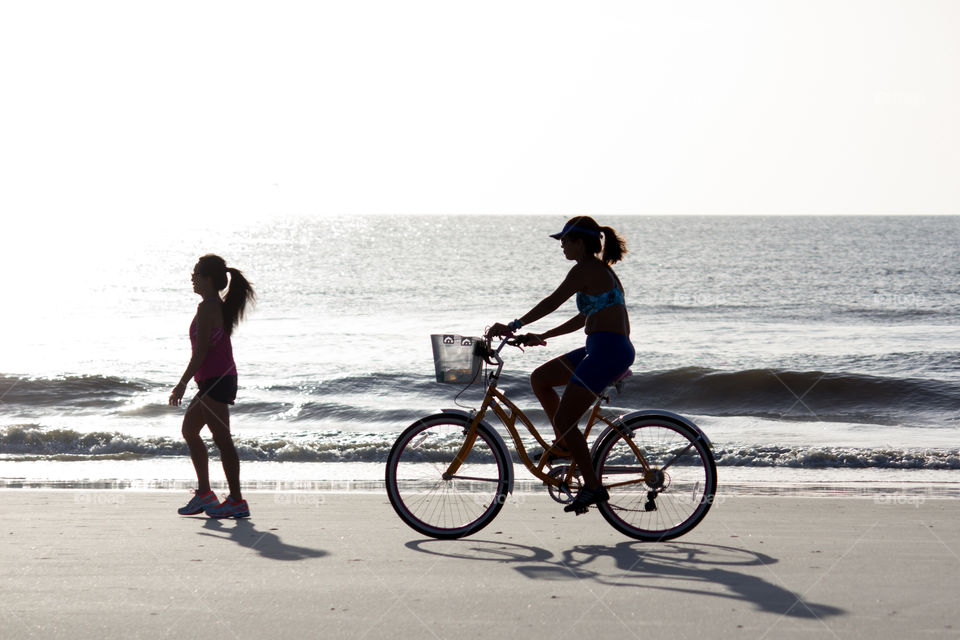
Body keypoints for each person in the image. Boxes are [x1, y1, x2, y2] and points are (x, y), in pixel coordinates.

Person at [487, 216, 635, 514]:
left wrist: (513, 325)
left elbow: (551, 301)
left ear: (580, 242)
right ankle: (566, 445)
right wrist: (543, 335)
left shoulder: (585, 270)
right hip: (600, 347)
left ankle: (593, 487)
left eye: (565, 241)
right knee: (541, 378)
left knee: (566, 418)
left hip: (610, 351)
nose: (562, 246)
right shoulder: (597, 271)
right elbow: (585, 317)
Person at [169, 254, 256, 518]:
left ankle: (237, 501)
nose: (192, 278)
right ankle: (205, 494)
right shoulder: (211, 305)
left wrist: (181, 384)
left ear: (207, 279)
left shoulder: (207, 308)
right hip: (212, 380)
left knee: (222, 439)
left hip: (217, 380)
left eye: (196, 273)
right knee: (190, 430)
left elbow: (202, 352)